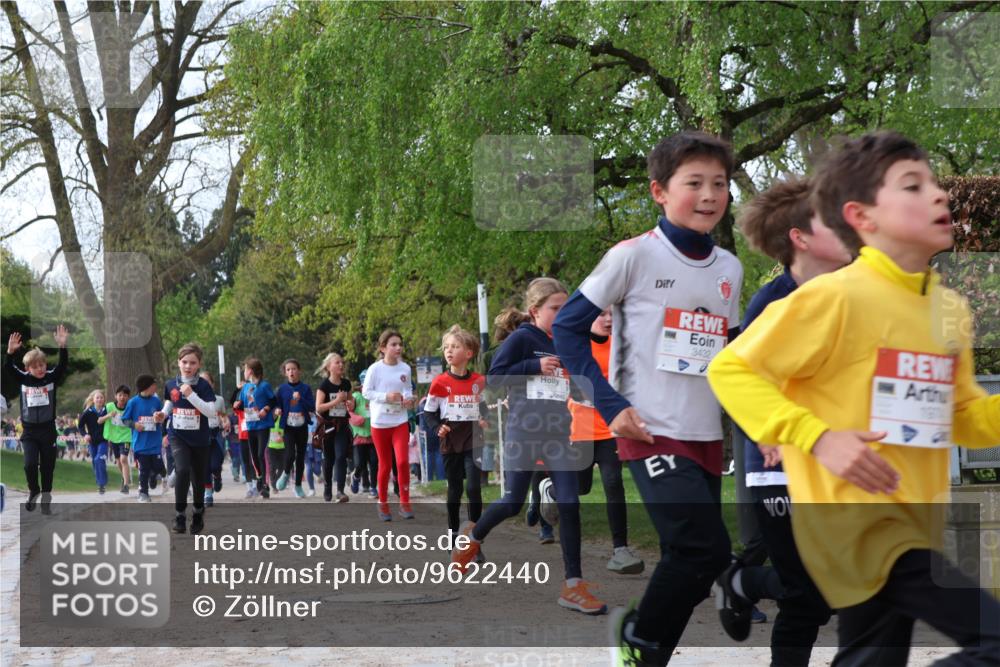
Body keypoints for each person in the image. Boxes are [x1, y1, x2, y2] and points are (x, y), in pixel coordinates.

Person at [708, 131, 1000, 666]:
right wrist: (816, 437)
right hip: (857, 522)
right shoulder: (834, 297)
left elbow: (963, 418)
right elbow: (731, 368)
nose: (938, 194)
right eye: (912, 185)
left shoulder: (948, 309)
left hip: (914, 522)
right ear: (861, 217)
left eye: (934, 182)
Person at [552, 131, 742, 662]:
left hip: (705, 432)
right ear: (660, 191)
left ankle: (642, 642)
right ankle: (640, 645)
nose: (710, 195)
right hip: (648, 427)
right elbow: (567, 329)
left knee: (696, 558)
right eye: (694, 183)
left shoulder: (729, 268)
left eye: (720, 183)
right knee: (702, 548)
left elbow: (728, 353)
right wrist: (611, 407)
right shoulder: (631, 256)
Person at [710, 177, 849, 661]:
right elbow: (736, 375)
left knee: (835, 587)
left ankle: (743, 581)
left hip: (835, 467)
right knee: (805, 597)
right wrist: (768, 430)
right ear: (800, 237)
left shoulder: (849, 296)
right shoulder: (773, 301)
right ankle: (743, 581)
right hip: (779, 469)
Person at [452, 278, 608, 616]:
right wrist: (533, 367)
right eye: (556, 308)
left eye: (566, 307)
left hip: (558, 434)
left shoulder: (566, 340)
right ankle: (474, 536)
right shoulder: (523, 338)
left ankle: (573, 584)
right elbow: (494, 378)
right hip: (524, 432)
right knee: (513, 503)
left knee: (570, 504)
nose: (563, 313)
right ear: (536, 311)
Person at [569, 310, 644, 575]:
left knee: (613, 483)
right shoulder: (575, 343)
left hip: (610, 428)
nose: (608, 319)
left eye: (612, 314)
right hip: (580, 429)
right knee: (580, 487)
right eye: (601, 314)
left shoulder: (620, 346)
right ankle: (549, 490)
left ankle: (620, 549)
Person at [422, 325, 489, 554]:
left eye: (455, 346)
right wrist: (437, 427)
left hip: (473, 439)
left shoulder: (478, 381)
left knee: (474, 488)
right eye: (446, 347)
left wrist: (484, 418)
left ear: (468, 353)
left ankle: (474, 541)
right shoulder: (440, 382)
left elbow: (483, 407)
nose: (449, 351)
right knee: (455, 491)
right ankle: (452, 536)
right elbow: (429, 413)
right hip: (450, 441)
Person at [5, 325, 69, 512]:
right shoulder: (23, 379)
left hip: (48, 430)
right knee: (30, 465)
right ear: (28, 368)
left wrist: (62, 347)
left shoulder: (51, 378)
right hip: (30, 431)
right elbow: (9, 367)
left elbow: (62, 365)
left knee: (48, 467)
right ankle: (34, 490)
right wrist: (10, 353)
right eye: (35, 367)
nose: (40, 369)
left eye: (42, 365)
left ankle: (46, 498)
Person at [161, 343, 218, 534]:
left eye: (192, 363)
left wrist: (191, 395)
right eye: (184, 362)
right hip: (178, 436)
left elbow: (211, 412)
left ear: (199, 364)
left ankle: (198, 512)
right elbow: (170, 402)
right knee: (182, 470)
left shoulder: (203, 386)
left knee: (198, 479)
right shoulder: (171, 384)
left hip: (200, 438)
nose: (188, 366)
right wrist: (163, 413)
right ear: (178, 362)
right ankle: (179, 515)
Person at [362, 330, 415, 520]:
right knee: (384, 465)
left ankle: (405, 502)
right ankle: (383, 503)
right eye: (393, 344)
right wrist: (386, 397)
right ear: (383, 348)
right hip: (380, 423)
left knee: (402, 462)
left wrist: (409, 399)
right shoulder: (375, 369)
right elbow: (366, 392)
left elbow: (407, 389)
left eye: (400, 344)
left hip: (400, 421)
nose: (398, 347)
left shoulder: (405, 368)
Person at [235, 358, 277, 499]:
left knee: (260, 454)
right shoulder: (246, 387)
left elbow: (273, 400)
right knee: (254, 456)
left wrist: (266, 409)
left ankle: (265, 484)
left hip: (263, 425)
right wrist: (237, 405)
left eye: (245, 369)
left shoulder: (264, 386)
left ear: (251, 371)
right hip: (250, 424)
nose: (244, 372)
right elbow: (243, 404)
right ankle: (259, 477)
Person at [315, 352, 355, 502]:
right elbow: (319, 408)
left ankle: (340, 491)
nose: (341, 365)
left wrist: (351, 404)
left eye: (342, 362)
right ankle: (327, 488)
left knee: (341, 456)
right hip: (328, 427)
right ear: (328, 367)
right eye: (337, 362)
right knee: (329, 459)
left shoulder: (346, 384)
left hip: (342, 426)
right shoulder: (324, 385)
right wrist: (336, 400)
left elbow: (352, 403)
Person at [121, 374, 166, 503]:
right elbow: (125, 420)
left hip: (155, 442)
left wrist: (160, 418)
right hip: (140, 443)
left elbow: (163, 416)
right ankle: (143, 493)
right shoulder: (133, 402)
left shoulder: (156, 401)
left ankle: (154, 475)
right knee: (144, 469)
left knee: (159, 467)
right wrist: (134, 425)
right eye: (153, 384)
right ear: (147, 386)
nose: (156, 387)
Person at [274, 358, 316, 497]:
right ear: (285, 373)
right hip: (288, 427)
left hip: (302, 426)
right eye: (288, 369)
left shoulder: (305, 388)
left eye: (293, 369)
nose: (291, 372)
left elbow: (312, 406)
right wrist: (277, 410)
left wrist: (300, 399)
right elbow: (276, 404)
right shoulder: (282, 389)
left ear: (299, 371)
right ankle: (286, 473)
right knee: (290, 454)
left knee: (300, 457)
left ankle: (298, 486)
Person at [199, 371, 228, 507]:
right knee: (204, 466)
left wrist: (226, 421)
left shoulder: (219, 400)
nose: (204, 384)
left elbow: (223, 415)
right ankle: (208, 493)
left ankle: (217, 476)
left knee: (215, 464)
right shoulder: (195, 399)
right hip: (201, 435)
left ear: (212, 384)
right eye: (201, 381)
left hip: (215, 434)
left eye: (207, 381)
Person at [100, 385, 133, 494]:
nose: (122, 397)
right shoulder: (109, 406)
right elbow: (99, 420)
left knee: (123, 459)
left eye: (125, 395)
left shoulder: (130, 407)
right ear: (116, 396)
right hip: (114, 438)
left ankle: (126, 485)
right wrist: (109, 415)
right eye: (120, 395)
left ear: (128, 397)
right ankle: (124, 477)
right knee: (118, 461)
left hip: (126, 437)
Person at [350, 374, 377, 497]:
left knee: (374, 462)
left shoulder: (375, 397)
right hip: (359, 436)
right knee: (360, 464)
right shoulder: (356, 396)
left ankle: (373, 487)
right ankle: (355, 477)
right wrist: (356, 419)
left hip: (373, 436)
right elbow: (348, 412)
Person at [78, 389, 109, 494]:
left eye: (101, 397)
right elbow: (80, 426)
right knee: (95, 462)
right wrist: (85, 435)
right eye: (97, 397)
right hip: (92, 442)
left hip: (103, 441)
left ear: (104, 399)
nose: (99, 399)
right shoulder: (88, 412)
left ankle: (101, 484)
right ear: (93, 399)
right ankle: (100, 482)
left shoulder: (107, 410)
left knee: (99, 459)